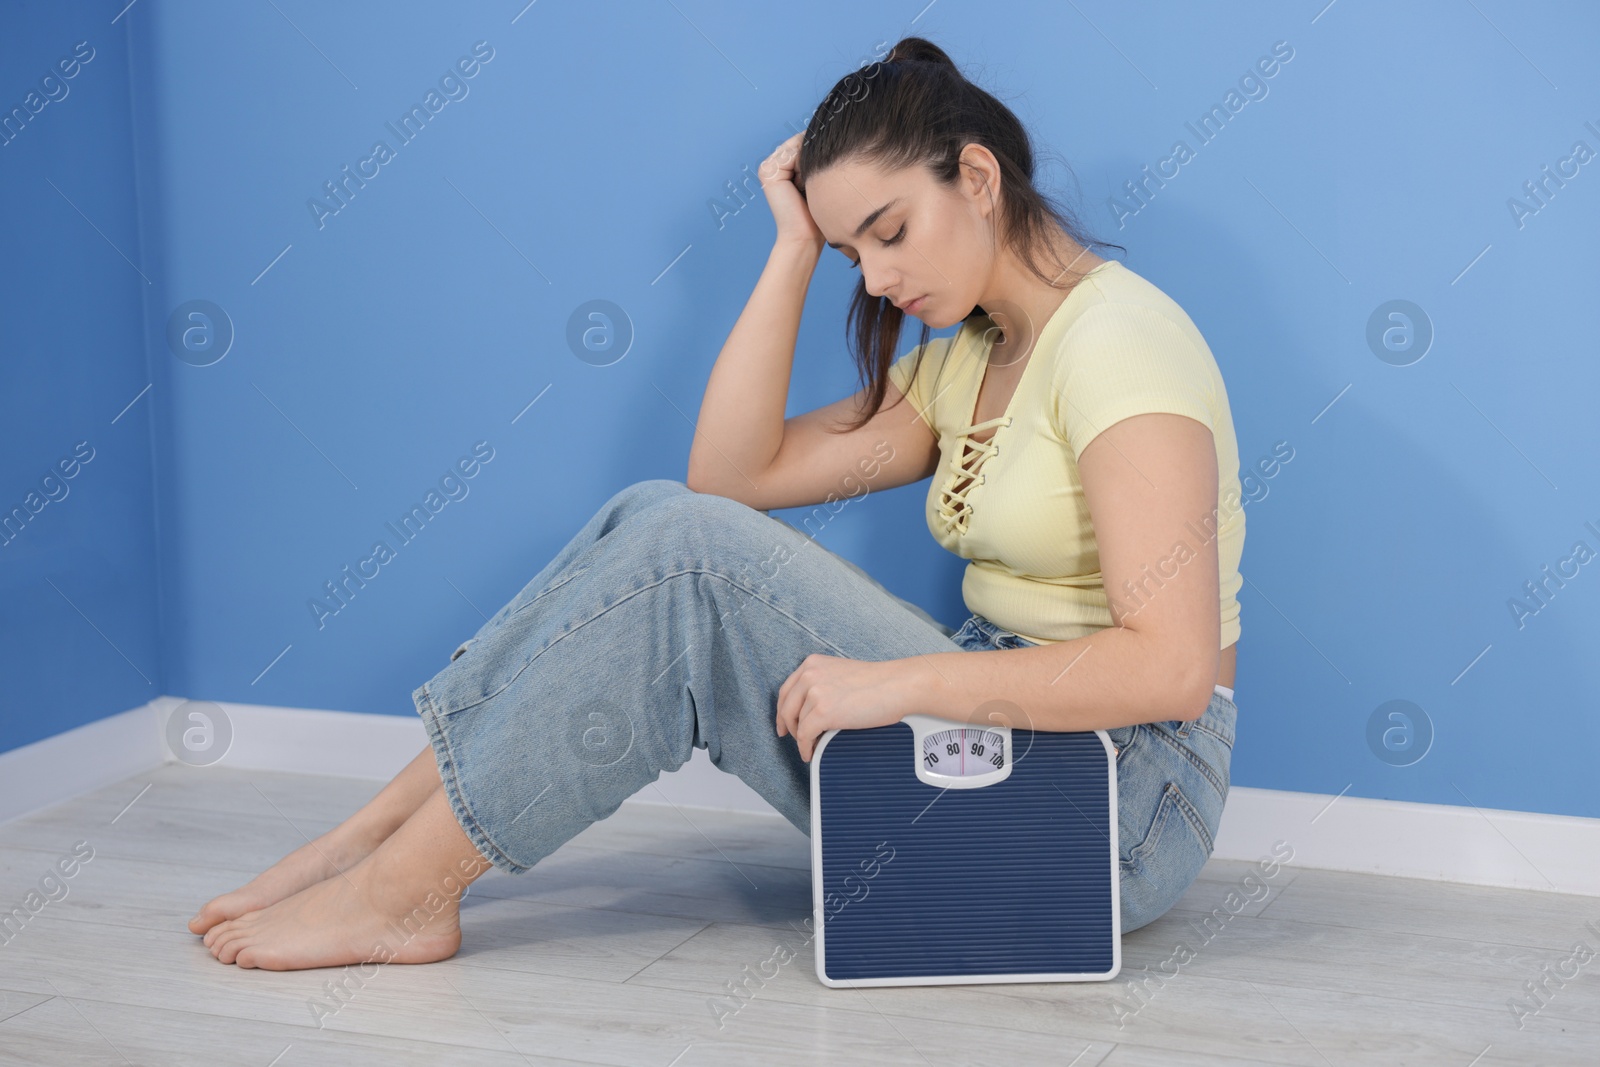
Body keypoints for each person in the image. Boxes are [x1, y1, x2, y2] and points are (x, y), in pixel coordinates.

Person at [190, 35, 1243, 971]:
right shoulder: (967, 358)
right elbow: (730, 479)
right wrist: (792, 250)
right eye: (850, 254)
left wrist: (895, 682)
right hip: (1005, 738)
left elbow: (1172, 667)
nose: (874, 279)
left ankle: (402, 891)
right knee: (657, 516)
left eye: (888, 230)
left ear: (975, 176)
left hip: (1119, 806)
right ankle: (374, 842)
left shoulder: (1117, 344)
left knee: (686, 553)